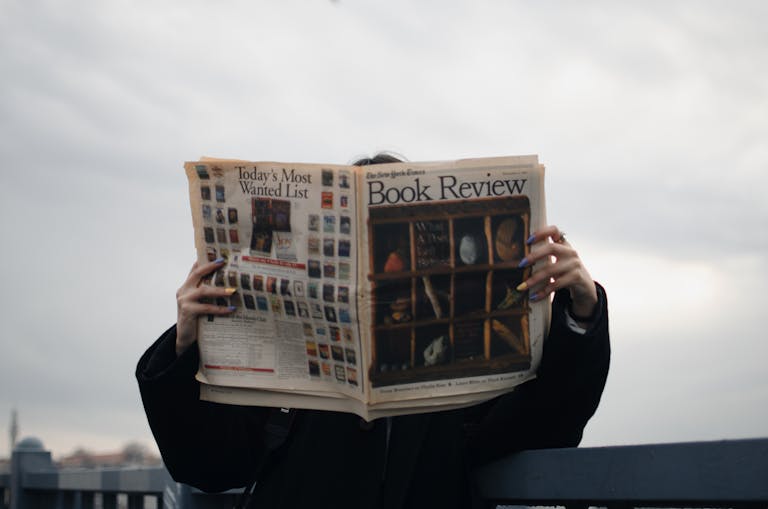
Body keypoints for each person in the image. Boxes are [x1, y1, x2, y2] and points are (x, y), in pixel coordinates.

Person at [136, 154, 610, 509]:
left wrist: (581, 310)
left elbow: (549, 421)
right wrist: (185, 345)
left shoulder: (459, 380)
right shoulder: (286, 379)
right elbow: (206, 464)